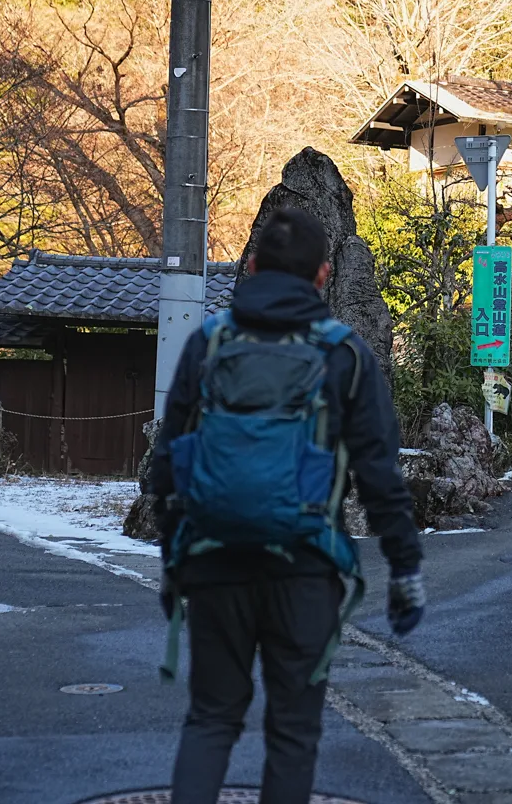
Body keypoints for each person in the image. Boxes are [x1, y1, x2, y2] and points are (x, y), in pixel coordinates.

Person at [149, 206, 424, 804]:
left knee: (212, 719)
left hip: (215, 563)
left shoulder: (209, 343)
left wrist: (175, 559)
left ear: (250, 266)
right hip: (305, 568)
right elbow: (379, 473)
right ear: (324, 275)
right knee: (294, 734)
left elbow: (167, 463)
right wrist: (404, 568)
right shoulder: (345, 354)